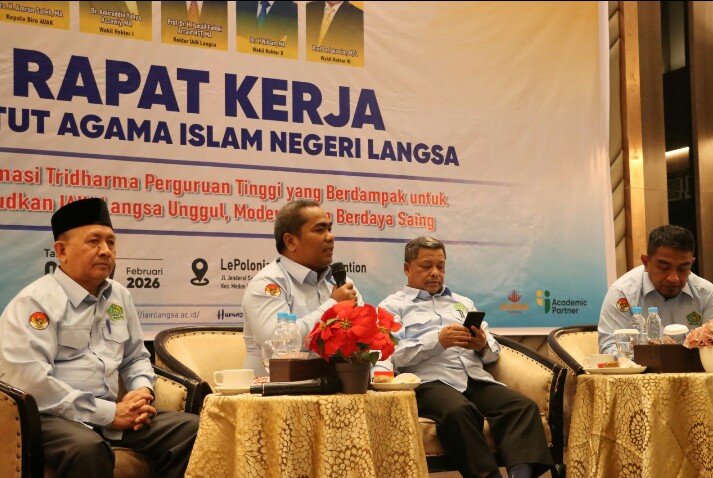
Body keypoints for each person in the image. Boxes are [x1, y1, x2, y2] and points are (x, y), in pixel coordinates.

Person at [0, 198, 198, 478]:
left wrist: (142, 391)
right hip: (52, 417)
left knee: (194, 430)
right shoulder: (35, 302)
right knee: (87, 448)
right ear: (62, 251)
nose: (105, 251)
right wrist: (109, 413)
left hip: (113, 415)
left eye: (111, 243)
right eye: (94, 242)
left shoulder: (119, 296)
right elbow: (32, 382)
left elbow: (135, 357)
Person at [379, 237, 553, 478]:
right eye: (426, 266)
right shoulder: (392, 307)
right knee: (458, 411)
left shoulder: (462, 303)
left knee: (522, 407)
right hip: (428, 382)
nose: (435, 273)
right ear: (407, 268)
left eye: (440, 266)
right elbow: (391, 356)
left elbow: (492, 353)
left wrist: (481, 345)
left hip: (473, 378)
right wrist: (438, 341)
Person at [242, 199, 362, 375]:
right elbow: (276, 343)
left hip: (336, 385)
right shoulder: (268, 283)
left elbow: (366, 339)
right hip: (276, 388)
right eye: (319, 230)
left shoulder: (341, 283)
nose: (330, 237)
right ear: (291, 241)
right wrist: (333, 307)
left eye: (329, 229)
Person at [599, 224, 713, 355]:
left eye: (683, 268)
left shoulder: (706, 293)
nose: (673, 278)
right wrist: (651, 356)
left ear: (691, 263)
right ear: (646, 262)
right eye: (664, 267)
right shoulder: (623, 293)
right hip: (640, 369)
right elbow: (609, 349)